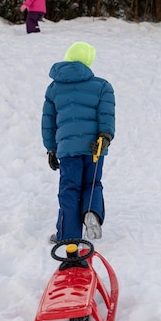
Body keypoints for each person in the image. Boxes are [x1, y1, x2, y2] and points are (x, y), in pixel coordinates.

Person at [42, 41, 116, 244]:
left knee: (69, 188)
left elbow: (48, 121)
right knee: (92, 183)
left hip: (67, 149)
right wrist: (105, 137)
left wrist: (51, 148)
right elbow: (106, 115)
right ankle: (91, 211)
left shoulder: (54, 88)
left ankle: (68, 234)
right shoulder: (102, 86)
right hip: (95, 147)